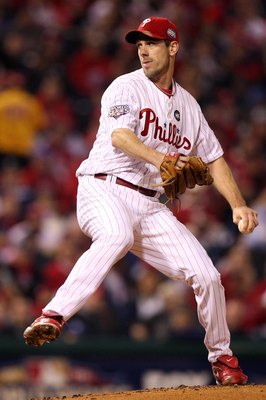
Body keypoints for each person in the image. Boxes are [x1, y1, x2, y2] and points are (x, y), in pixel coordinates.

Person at [23, 17, 259, 386]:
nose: (143, 50)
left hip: (150, 205)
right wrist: (161, 160)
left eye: (151, 42)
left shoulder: (189, 107)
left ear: (173, 47)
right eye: (139, 44)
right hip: (103, 187)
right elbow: (119, 137)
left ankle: (223, 358)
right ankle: (53, 315)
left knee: (208, 276)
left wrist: (238, 205)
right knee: (115, 236)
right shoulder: (125, 86)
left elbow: (214, 158)